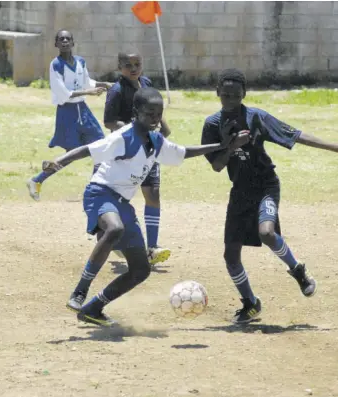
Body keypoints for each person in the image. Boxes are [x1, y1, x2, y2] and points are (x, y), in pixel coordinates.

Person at [43, 87, 239, 327]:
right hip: (100, 193)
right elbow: (88, 150)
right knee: (114, 229)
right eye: (149, 114)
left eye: (158, 114)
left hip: (122, 203)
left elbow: (184, 152)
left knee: (141, 270)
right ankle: (80, 291)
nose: (155, 119)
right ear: (136, 112)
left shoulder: (156, 141)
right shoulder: (123, 137)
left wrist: (221, 145)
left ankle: (93, 308)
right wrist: (59, 162)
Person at [201, 68, 338, 324]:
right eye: (225, 95)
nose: (230, 99)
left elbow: (294, 135)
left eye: (235, 95)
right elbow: (217, 166)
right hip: (240, 191)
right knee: (230, 256)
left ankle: (297, 270)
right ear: (218, 93)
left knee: (266, 232)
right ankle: (251, 303)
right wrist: (230, 147)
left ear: (244, 94)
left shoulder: (256, 118)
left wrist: (335, 147)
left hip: (265, 185)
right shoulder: (211, 124)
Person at [27, 29, 113, 200]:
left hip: (83, 110)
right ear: (56, 44)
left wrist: (105, 84)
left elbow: (87, 82)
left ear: (73, 43)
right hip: (67, 112)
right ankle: (37, 180)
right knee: (72, 153)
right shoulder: (56, 65)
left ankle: (94, 189)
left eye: (68, 39)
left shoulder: (80, 61)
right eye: (61, 39)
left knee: (101, 146)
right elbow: (62, 92)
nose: (65, 41)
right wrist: (88, 92)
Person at [104, 51, 171, 265]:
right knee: (121, 197)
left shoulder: (147, 83)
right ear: (119, 66)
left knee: (153, 192)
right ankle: (112, 237)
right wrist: (132, 128)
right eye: (127, 65)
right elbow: (109, 121)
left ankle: (152, 247)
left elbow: (155, 109)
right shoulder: (116, 90)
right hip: (127, 151)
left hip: (149, 147)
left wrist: (163, 126)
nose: (133, 68)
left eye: (137, 64)